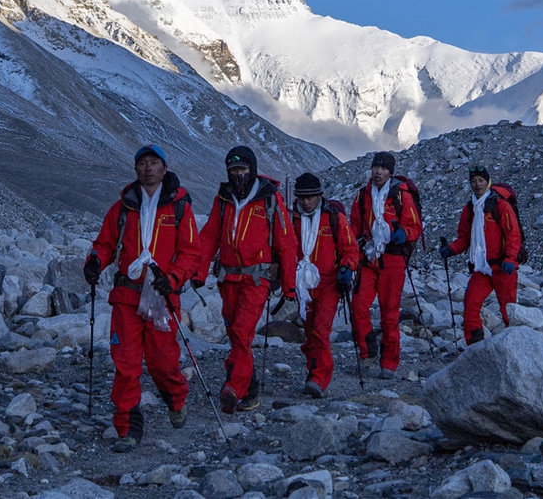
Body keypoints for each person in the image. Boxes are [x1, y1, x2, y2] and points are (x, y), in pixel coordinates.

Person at [83, 144, 201, 453]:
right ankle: (128, 428)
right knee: (126, 363)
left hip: (162, 295)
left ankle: (176, 398)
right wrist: (95, 261)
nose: (148, 168)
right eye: (143, 163)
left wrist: (172, 278)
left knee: (163, 362)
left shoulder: (179, 208)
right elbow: (105, 243)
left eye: (154, 163)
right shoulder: (123, 207)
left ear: (164, 169)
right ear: (136, 169)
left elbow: (191, 253)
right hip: (127, 296)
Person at [196, 146, 297, 414]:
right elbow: (209, 236)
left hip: (257, 279)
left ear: (252, 169)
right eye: (233, 170)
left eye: (242, 169)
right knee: (235, 334)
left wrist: (289, 286)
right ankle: (250, 392)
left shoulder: (269, 198)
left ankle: (233, 387)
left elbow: (286, 242)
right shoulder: (223, 199)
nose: (238, 174)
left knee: (242, 331)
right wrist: (198, 272)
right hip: (227, 278)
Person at [350, 151, 423, 380]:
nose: (378, 172)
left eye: (383, 168)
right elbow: (354, 228)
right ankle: (368, 350)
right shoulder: (362, 196)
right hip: (368, 257)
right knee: (358, 305)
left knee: (389, 312)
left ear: (390, 172)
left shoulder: (401, 195)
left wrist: (404, 234)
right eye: (376, 167)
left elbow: (415, 227)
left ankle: (389, 361)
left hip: (393, 259)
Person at [289, 172, 359, 398]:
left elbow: (350, 249)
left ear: (319, 196)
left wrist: (347, 267)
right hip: (303, 286)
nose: (306, 202)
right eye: (302, 198)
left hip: (329, 283)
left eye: (310, 197)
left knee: (321, 330)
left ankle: (319, 379)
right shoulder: (291, 219)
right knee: (310, 333)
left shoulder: (334, 218)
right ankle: (313, 372)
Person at [439, 166, 523, 345]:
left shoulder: (500, 205)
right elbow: (464, 238)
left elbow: (513, 234)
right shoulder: (470, 208)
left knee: (508, 310)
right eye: (473, 181)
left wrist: (510, 258)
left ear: (488, 182)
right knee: (470, 304)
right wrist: (451, 249)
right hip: (482, 267)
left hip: (502, 267)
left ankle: (515, 347)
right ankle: (475, 347)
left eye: (481, 180)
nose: (477, 184)